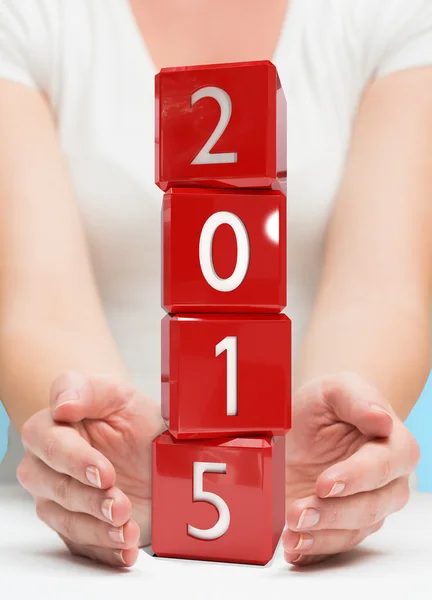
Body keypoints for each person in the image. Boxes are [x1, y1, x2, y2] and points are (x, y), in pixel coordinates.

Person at [0, 0, 431, 569]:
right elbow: (36, 301)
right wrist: (111, 462)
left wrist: (317, 457)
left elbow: (383, 291)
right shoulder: (29, 14)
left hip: (308, 539)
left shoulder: (393, 14)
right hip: (64, 547)